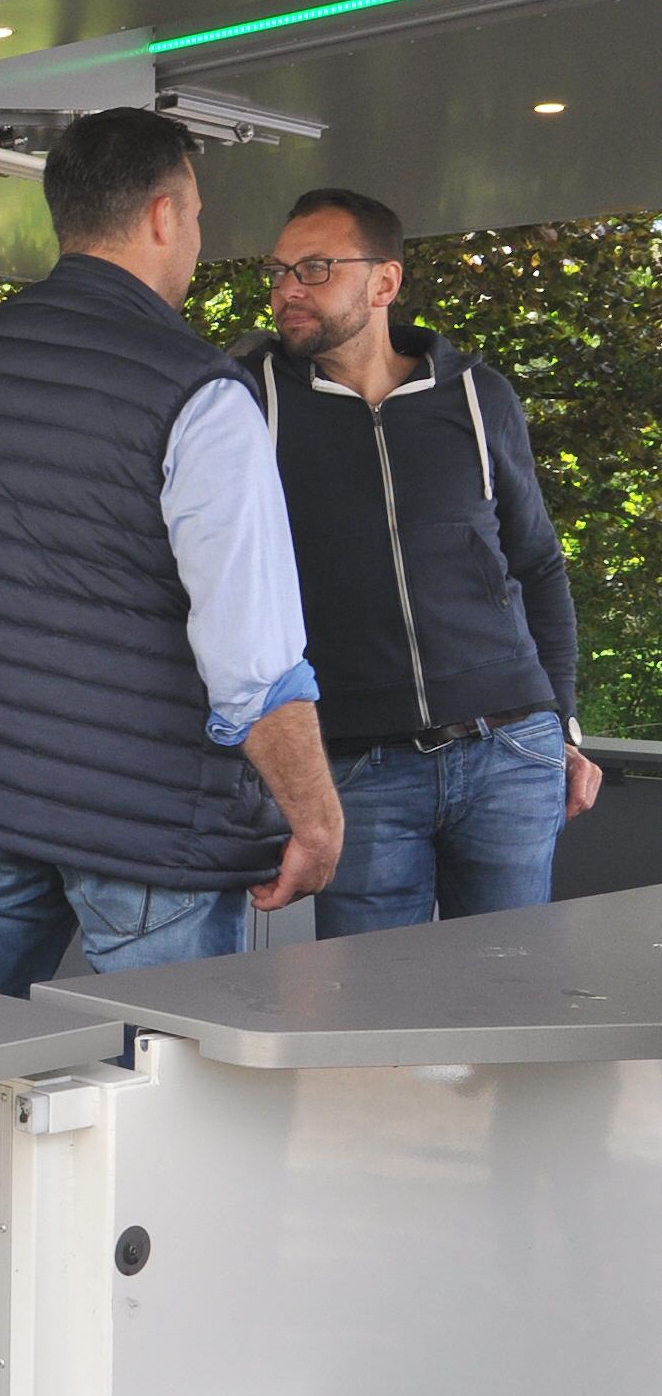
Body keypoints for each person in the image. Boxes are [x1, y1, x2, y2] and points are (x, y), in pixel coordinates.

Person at [0, 107, 343, 993]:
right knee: (166, 1061)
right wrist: (316, 817)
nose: (198, 237)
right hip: (146, 823)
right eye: (199, 215)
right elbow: (252, 659)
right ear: (164, 216)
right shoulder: (199, 392)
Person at [240, 189, 599, 936]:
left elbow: (538, 565)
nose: (287, 289)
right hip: (356, 767)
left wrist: (561, 723)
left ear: (384, 282)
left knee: (508, 989)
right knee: (371, 998)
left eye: (314, 268)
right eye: (278, 272)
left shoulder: (478, 396)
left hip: (510, 751)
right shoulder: (249, 401)